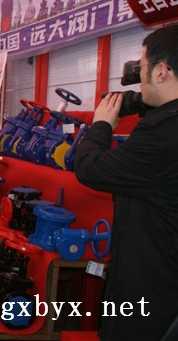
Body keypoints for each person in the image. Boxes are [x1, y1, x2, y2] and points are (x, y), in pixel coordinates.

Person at [75, 25, 178, 341]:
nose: (139, 76)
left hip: (150, 289)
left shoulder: (160, 135)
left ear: (161, 72)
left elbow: (90, 169)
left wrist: (101, 126)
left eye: (142, 68)